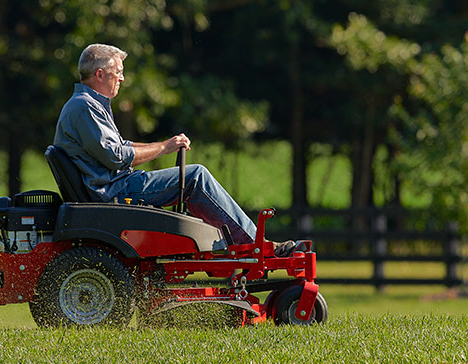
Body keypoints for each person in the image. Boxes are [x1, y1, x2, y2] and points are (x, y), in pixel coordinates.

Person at [53, 43, 293, 254]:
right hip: (113, 191)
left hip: (111, 186)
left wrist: (167, 144)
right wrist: (165, 147)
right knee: (196, 176)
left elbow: (120, 147)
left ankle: (237, 246)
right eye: (118, 72)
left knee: (193, 176)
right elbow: (116, 157)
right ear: (100, 74)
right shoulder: (85, 107)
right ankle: (256, 246)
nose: (122, 79)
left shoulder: (87, 105)